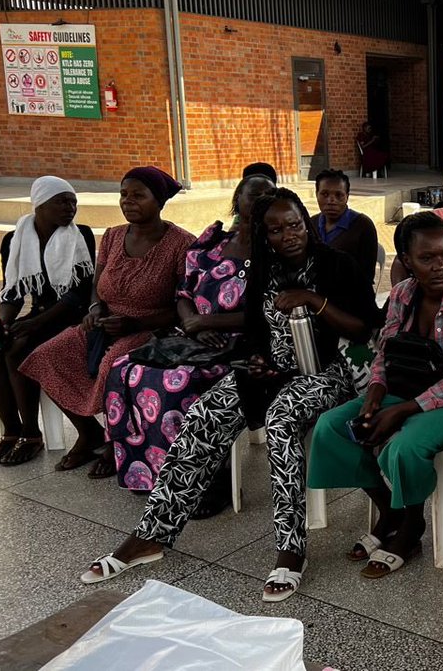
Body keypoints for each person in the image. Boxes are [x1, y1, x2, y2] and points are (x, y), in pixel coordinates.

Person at [80, 188, 378, 602]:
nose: (288, 235)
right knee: (203, 413)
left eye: (294, 224)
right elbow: (256, 329)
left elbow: (363, 329)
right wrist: (256, 359)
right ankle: (151, 535)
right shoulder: (265, 269)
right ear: (264, 235)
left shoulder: (337, 265)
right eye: (275, 230)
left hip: (328, 372)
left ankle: (291, 549)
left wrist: (313, 300)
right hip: (271, 369)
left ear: (305, 223)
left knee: (280, 421)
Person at [308, 212, 443, 578]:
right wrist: (376, 393)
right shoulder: (402, 293)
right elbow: (386, 351)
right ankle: (390, 509)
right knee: (335, 426)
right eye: (428, 258)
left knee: (406, 445)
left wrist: (403, 411)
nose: (441, 266)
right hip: (408, 386)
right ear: (406, 262)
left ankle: (412, 527)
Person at [102, 176, 271, 504]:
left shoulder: (276, 249)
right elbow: (184, 291)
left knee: (177, 383)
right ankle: (148, 474)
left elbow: (267, 310)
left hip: (242, 343)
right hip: (193, 335)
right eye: (254, 195)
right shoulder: (213, 243)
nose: (262, 200)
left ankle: (198, 482)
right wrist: (193, 322)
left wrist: (207, 321)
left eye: (269, 195)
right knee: (124, 369)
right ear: (238, 200)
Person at [20, 167, 194, 473]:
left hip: (152, 327)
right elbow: (97, 287)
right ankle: (88, 433)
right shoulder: (113, 236)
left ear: (160, 201)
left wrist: (135, 324)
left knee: (113, 365)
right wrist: (96, 309)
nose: (128, 201)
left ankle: (118, 443)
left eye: (138, 195)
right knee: (45, 356)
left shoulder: (181, 243)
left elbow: (185, 303)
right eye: (124, 194)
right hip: (104, 323)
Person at [0, 176, 95, 467]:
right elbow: (13, 290)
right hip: (39, 315)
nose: (70, 208)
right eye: (61, 201)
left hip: (72, 317)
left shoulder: (80, 235)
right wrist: (2, 323)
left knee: (19, 350)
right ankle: (11, 431)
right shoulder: (15, 239)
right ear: (40, 205)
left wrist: (33, 324)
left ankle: (32, 434)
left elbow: (79, 294)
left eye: (73, 202)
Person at [311, 169, 379, 288]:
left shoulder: (363, 226)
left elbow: (366, 276)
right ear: (316, 194)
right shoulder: (312, 223)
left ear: (347, 196)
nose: (331, 201)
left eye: (339, 195)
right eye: (325, 194)